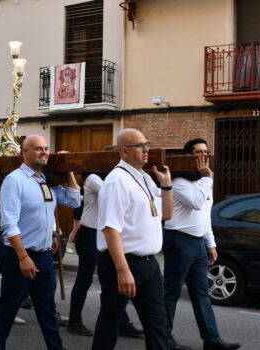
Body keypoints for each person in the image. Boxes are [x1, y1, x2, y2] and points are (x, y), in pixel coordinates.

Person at [0, 135, 80, 350]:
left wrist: (68, 170)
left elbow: (74, 200)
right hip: (19, 256)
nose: (44, 152)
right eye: (38, 148)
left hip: (43, 256)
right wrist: (23, 257)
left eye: (46, 148)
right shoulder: (15, 180)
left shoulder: (45, 180)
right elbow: (9, 224)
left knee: (47, 308)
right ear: (25, 152)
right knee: (9, 307)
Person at [92, 128, 173, 350]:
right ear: (125, 151)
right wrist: (123, 270)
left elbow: (166, 214)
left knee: (158, 325)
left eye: (147, 143)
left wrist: (166, 185)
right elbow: (110, 229)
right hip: (124, 263)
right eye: (140, 145)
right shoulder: (116, 181)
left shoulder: (145, 177)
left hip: (149, 264)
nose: (147, 149)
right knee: (110, 322)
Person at [163, 139, 240, 350]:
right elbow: (196, 203)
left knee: (201, 293)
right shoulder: (178, 180)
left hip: (197, 244)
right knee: (171, 292)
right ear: (188, 156)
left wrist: (211, 244)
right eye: (198, 152)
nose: (204, 156)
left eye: (206, 152)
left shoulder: (202, 182)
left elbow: (204, 216)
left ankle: (212, 340)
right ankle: (164, 339)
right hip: (178, 240)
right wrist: (208, 178)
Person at [67, 172, 144, 338]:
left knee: (112, 279)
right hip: (89, 235)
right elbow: (113, 196)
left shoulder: (112, 180)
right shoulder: (95, 178)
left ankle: (121, 323)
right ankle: (74, 321)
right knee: (84, 279)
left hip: (104, 235)